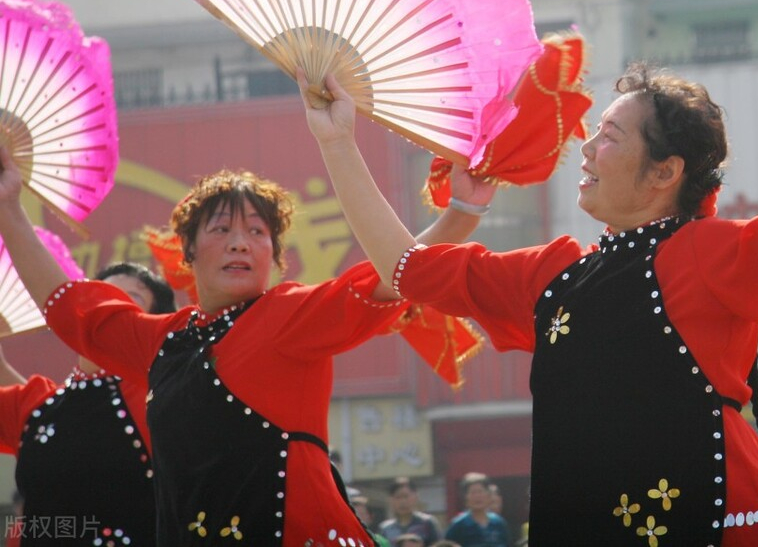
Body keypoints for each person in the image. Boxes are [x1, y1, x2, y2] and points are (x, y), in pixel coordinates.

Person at [302, 51, 758, 546]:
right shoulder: (556, 275)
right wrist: (336, 140)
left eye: (609, 137)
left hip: (716, 525)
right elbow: (405, 267)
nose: (587, 149)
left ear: (664, 173)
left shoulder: (702, 251)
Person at [0, 150, 493, 547]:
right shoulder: (161, 340)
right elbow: (68, 305)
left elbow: (394, 275)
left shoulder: (288, 315)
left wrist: (462, 213)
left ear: (273, 258)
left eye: (257, 233)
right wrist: (8, 205)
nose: (240, 243)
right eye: (221, 230)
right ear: (188, 251)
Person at [0, 262, 174, 546]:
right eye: (98, 293)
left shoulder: (160, 396)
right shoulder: (35, 404)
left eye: (129, 299)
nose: (104, 304)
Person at [443, 473, 509, 547]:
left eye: (480, 492)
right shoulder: (458, 525)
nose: (477, 496)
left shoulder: (498, 523)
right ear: (465, 497)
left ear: (488, 495)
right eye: (473, 493)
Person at [379, 477, 442, 545]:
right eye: (398, 497)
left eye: (406, 496)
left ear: (416, 497)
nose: (403, 502)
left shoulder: (427, 523)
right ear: (391, 500)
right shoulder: (386, 529)